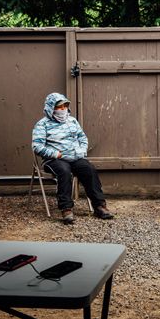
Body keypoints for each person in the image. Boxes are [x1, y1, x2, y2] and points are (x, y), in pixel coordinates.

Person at [31, 93, 113, 224]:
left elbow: (82, 138)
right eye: (59, 107)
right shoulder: (42, 125)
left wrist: (82, 150)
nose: (63, 109)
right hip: (55, 159)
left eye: (65, 106)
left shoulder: (72, 121)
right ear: (51, 108)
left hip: (74, 156)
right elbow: (37, 146)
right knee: (64, 171)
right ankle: (66, 209)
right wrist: (54, 154)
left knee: (89, 169)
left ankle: (99, 206)